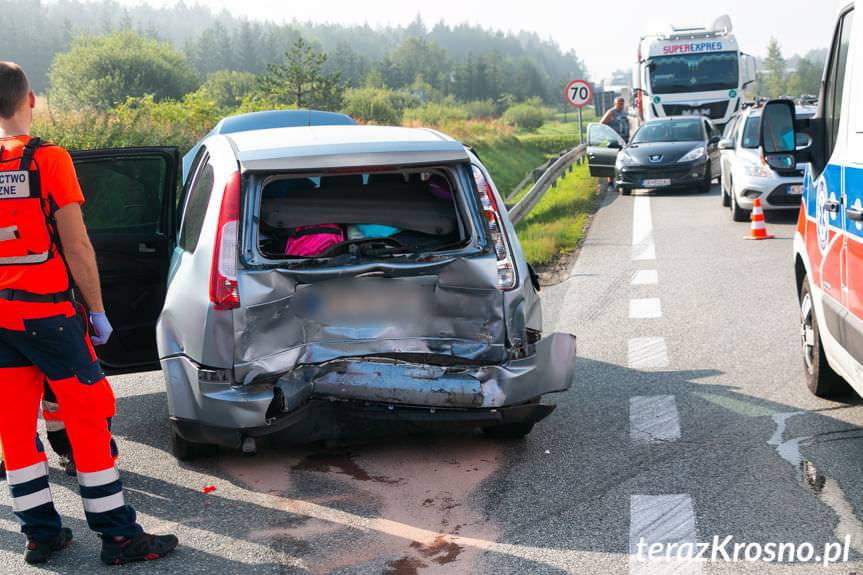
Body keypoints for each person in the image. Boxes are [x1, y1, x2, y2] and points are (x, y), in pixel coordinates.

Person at [0, 62, 178, 565]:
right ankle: (119, 537)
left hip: (2, 320)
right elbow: (77, 244)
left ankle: (40, 534)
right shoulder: (48, 159)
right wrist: (97, 310)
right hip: (51, 317)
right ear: (29, 99)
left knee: (14, 430)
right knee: (88, 422)